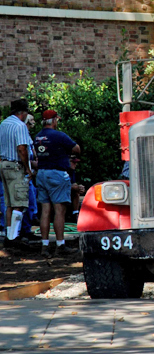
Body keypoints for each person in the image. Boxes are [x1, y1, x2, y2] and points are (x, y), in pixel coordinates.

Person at [34, 109, 81, 257]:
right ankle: (60, 245)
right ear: (54, 120)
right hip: (56, 174)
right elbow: (77, 148)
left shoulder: (37, 137)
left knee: (45, 211)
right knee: (59, 210)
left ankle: (45, 245)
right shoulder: (59, 136)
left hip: (41, 174)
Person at [0, 99, 32, 245]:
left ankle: (9, 233)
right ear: (23, 112)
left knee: (9, 203)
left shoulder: (3, 124)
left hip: (3, 163)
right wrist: (28, 168)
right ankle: (13, 237)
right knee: (19, 202)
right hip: (15, 166)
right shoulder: (20, 126)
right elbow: (22, 149)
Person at [19, 114, 40, 244]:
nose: (33, 122)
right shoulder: (21, 135)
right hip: (24, 173)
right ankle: (22, 231)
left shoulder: (29, 136)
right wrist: (31, 165)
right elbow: (23, 153)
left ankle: (27, 229)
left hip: (30, 174)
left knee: (31, 200)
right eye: (31, 120)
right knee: (26, 201)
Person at [68, 155, 85, 223]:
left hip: (67, 191)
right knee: (75, 189)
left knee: (76, 191)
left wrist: (79, 187)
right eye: (73, 162)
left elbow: (73, 183)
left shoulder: (72, 171)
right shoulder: (62, 170)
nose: (75, 164)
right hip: (58, 192)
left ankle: (75, 214)